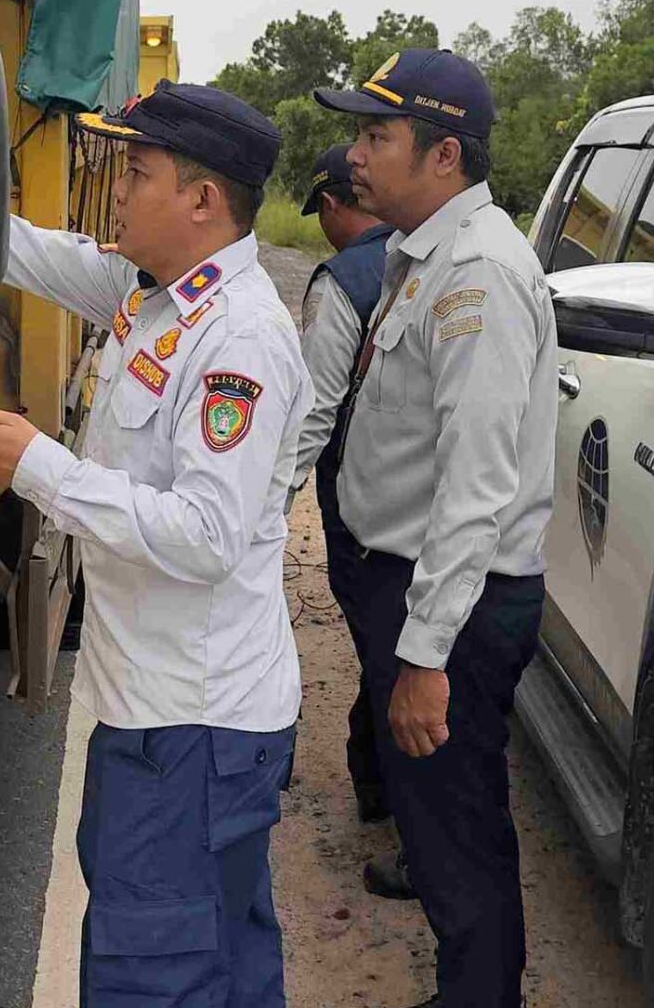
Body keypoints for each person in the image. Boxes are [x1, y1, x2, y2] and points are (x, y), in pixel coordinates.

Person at [0, 81, 310, 1008]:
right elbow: (43, 255)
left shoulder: (239, 340)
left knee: (150, 974)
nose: (115, 188)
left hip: (190, 726)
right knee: (221, 960)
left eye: (136, 171)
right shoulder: (158, 298)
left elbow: (202, 534)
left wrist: (35, 464)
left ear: (202, 200)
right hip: (165, 711)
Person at [311, 50, 559, 1008]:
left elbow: (477, 487)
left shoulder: (481, 275)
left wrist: (425, 658)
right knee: (438, 822)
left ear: (444, 153)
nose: (355, 155)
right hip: (413, 588)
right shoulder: (426, 253)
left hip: (449, 602)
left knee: (459, 833)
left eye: (377, 137)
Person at [286, 145, 396, 835]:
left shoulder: (342, 281)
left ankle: (386, 787)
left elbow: (312, 415)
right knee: (400, 648)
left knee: (387, 651)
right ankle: (376, 772)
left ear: (331, 205)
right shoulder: (436, 257)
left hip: (362, 511)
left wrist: (265, 504)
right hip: (438, 505)